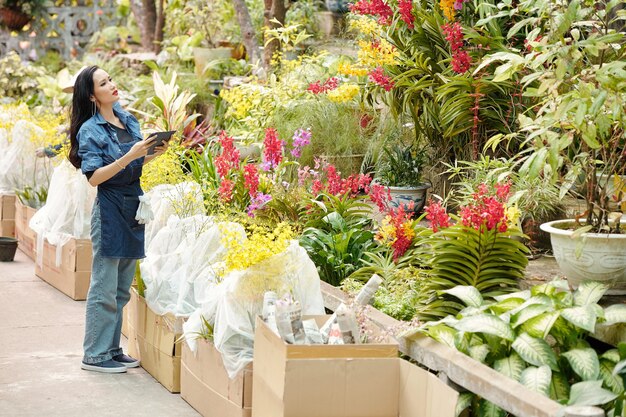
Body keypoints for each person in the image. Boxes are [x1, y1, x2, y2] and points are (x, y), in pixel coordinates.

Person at [68, 66, 167, 373]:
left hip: (133, 206)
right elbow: (95, 178)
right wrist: (129, 155)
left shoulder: (127, 119)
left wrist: (152, 153)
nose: (112, 85)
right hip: (110, 209)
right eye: (103, 83)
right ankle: (94, 356)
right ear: (91, 95)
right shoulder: (90, 130)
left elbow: (132, 165)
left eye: (110, 79)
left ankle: (111, 349)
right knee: (104, 287)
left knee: (122, 288)